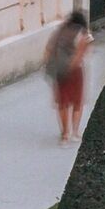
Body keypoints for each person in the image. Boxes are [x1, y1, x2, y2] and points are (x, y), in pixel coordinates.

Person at [42, 10, 91, 142]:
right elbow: (80, 54)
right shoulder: (83, 34)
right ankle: (74, 132)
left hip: (58, 70)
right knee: (76, 102)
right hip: (74, 71)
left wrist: (53, 67)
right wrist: (71, 67)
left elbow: (48, 50)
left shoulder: (59, 31)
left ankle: (64, 134)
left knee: (63, 103)